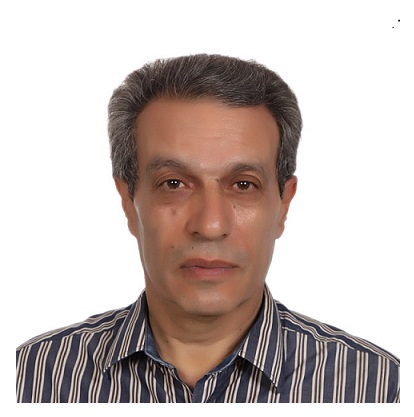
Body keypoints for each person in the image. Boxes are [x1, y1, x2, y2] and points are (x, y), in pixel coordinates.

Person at [16, 54, 400, 403]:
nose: (211, 225)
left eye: (243, 185)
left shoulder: (381, 387)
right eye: (173, 184)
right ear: (128, 203)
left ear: (283, 205)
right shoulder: (29, 377)